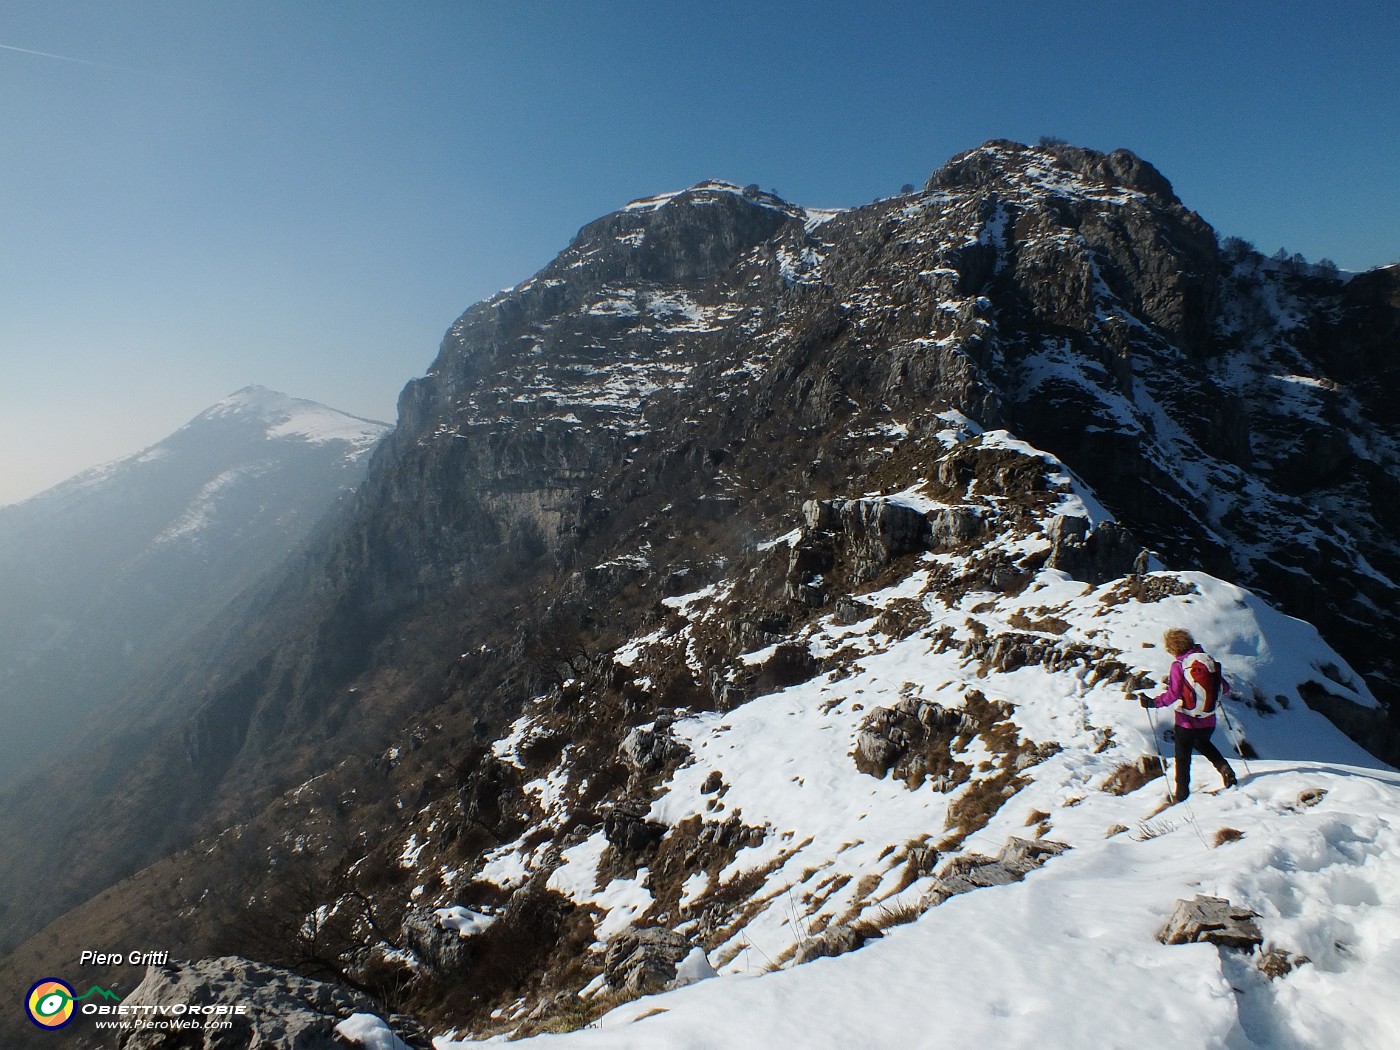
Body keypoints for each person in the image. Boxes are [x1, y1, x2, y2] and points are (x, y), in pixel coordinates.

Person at [1141, 628, 1238, 802]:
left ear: (1173, 648)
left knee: (1183, 758)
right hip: (1208, 720)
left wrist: (1153, 703)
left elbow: (1173, 695)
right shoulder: (1207, 661)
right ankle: (1225, 768)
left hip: (1186, 721)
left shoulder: (1179, 666)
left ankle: (1181, 796)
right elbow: (1226, 688)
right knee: (1203, 744)